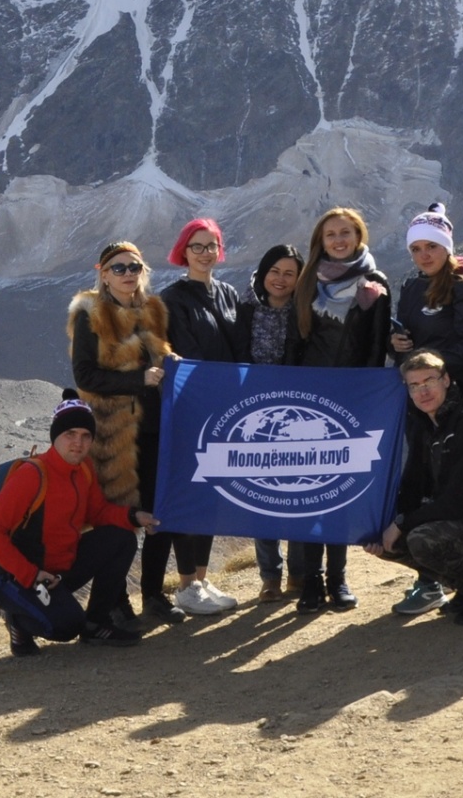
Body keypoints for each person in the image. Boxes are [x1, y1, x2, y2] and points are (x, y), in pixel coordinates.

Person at [0, 395, 154, 653]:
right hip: (18, 578)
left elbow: (98, 512)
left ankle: (96, 625)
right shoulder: (32, 475)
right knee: (67, 626)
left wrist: (132, 517)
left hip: (57, 572)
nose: (78, 443)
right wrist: (31, 574)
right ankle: (18, 621)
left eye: (85, 436)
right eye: (70, 433)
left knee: (123, 538)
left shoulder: (83, 469)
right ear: (55, 436)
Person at [364, 352, 463, 625]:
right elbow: (413, 488)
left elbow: (455, 503)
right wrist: (382, 527)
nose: (423, 391)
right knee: (387, 538)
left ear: (447, 380)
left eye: (429, 381)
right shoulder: (425, 425)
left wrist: (403, 523)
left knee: (422, 539)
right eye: (414, 385)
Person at [289, 205, 393, 611]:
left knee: (338, 489)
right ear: (321, 240)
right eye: (331, 234)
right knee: (308, 492)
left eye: (345, 232)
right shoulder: (306, 282)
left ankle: (338, 576)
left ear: (359, 236)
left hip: (351, 400)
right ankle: (311, 581)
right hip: (308, 400)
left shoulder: (375, 283)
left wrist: (365, 399)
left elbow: (376, 346)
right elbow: (295, 344)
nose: (338, 240)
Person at [69, 241, 173, 619]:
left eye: (134, 267)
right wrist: (137, 380)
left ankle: (155, 595)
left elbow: (160, 363)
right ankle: (115, 602)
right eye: (119, 268)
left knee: (160, 514)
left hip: (158, 427)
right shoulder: (91, 315)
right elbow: (85, 375)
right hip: (115, 434)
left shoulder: (153, 312)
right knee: (120, 521)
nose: (128, 274)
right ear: (103, 273)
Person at [156, 218, 246, 616]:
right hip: (192, 409)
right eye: (198, 246)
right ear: (183, 252)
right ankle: (185, 584)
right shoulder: (171, 298)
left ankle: (203, 579)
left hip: (226, 409)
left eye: (212, 245)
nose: (206, 253)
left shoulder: (227, 292)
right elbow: (183, 352)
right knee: (190, 492)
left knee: (211, 494)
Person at [234, 243, 306, 602]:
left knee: (297, 489)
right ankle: (270, 578)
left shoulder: (306, 311)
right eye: (274, 271)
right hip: (255, 414)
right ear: (263, 272)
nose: (280, 279)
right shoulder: (243, 308)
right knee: (264, 493)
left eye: (289, 273)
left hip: (296, 413)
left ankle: (298, 574)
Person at [390, 202, 463, 403]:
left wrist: (428, 366)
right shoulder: (411, 287)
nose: (424, 255)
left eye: (431, 246)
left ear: (447, 248)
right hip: (418, 395)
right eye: (416, 249)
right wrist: (395, 343)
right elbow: (405, 343)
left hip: (460, 393)